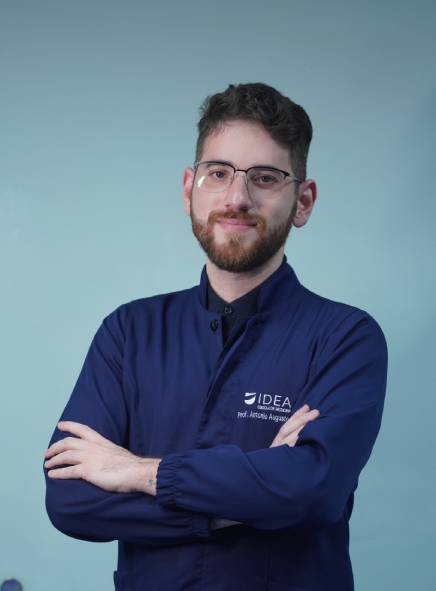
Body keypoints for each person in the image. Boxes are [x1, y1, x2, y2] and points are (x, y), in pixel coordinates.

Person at [44, 83, 387, 591]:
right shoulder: (129, 333)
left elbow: (313, 492)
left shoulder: (346, 338)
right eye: (218, 173)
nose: (237, 198)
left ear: (303, 201)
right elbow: (71, 500)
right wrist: (255, 495)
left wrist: (137, 472)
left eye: (265, 178)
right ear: (189, 190)